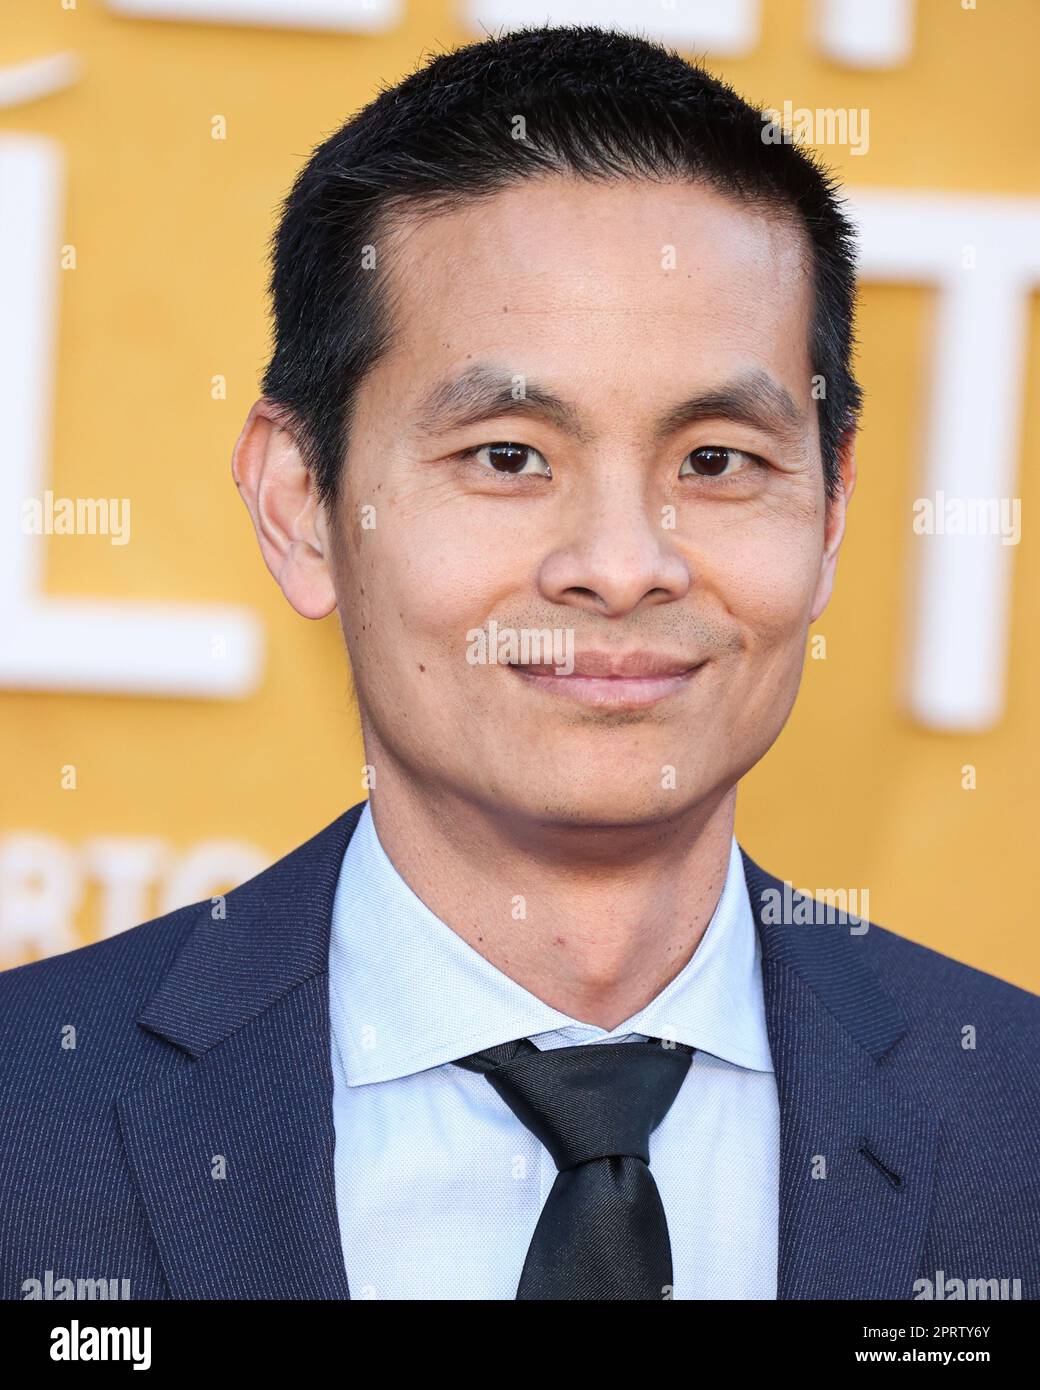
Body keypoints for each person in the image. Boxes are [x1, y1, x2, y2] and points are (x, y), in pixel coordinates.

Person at [2, 24, 1037, 1302]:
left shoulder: (1012, 1124)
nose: (620, 562)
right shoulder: (27, 1116)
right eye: (507, 456)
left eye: (715, 461)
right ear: (301, 502)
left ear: (827, 517)